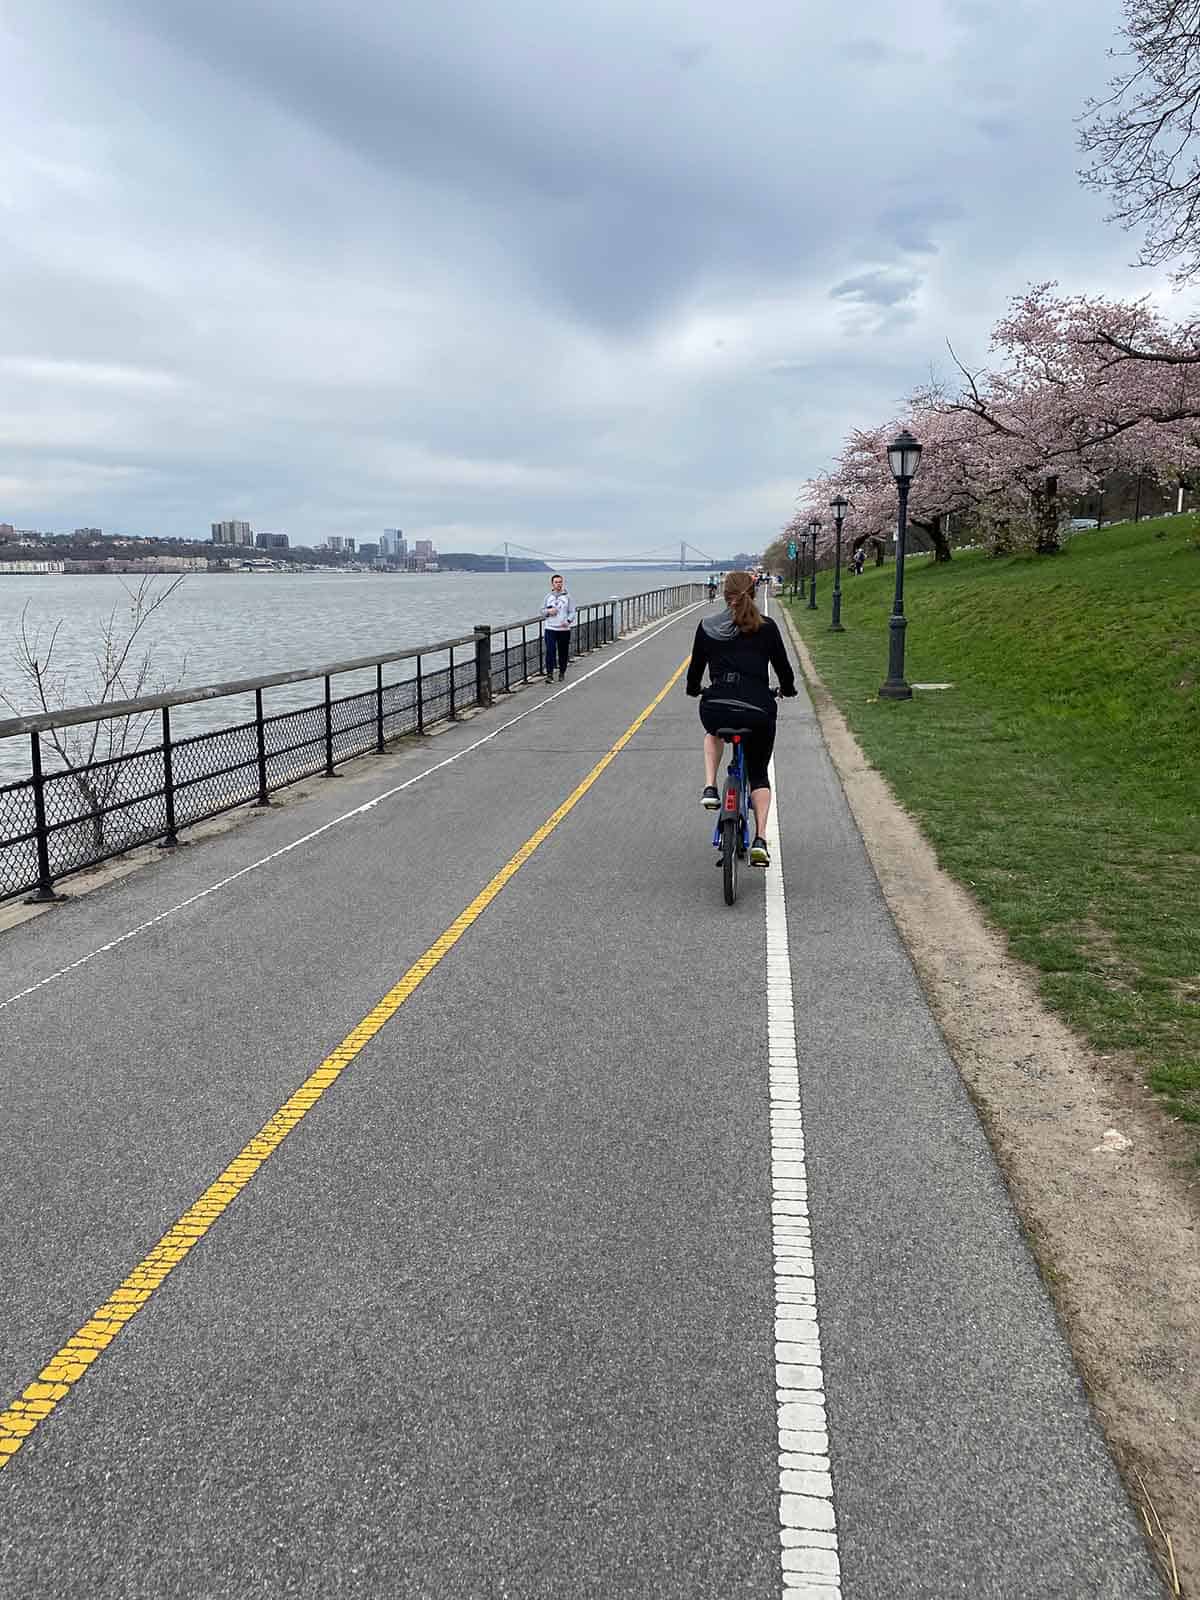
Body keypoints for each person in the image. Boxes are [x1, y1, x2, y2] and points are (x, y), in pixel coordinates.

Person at [685, 570, 797, 866]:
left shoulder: (707, 626)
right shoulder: (768, 627)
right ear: (754, 591)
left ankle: (710, 786)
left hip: (717, 705)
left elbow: (695, 671)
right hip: (758, 709)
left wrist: (695, 690)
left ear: (724, 594)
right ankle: (760, 838)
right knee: (758, 773)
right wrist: (787, 689)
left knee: (713, 731)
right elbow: (784, 670)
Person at [541, 573, 576, 681]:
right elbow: (542, 611)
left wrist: (568, 621)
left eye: (560, 582)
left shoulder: (568, 597)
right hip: (550, 628)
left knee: (563, 652)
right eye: (556, 582)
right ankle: (549, 675)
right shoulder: (548, 597)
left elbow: (572, 611)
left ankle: (562, 672)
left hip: (563, 629)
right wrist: (548, 611)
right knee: (550, 651)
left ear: (562, 583)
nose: (558, 584)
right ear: (552, 584)